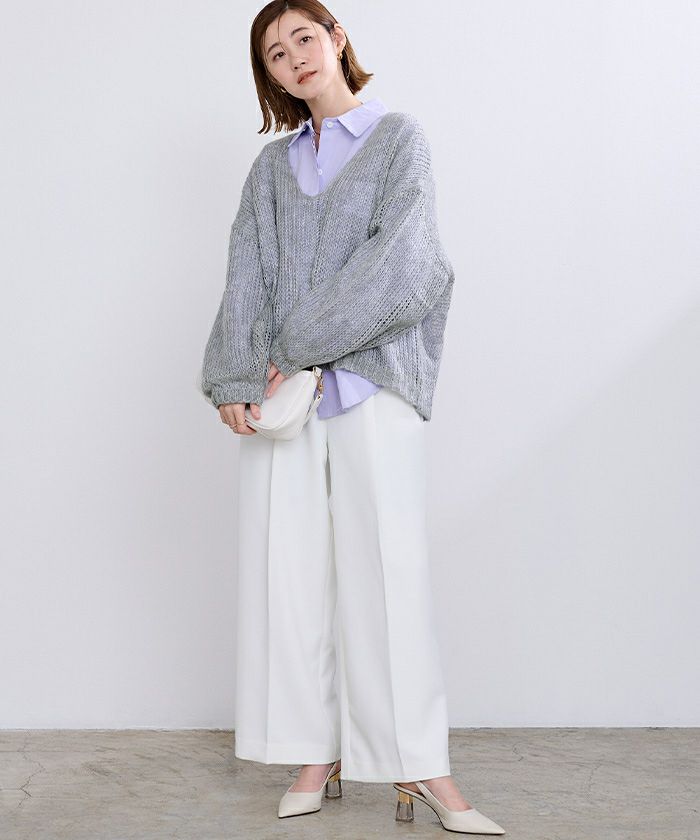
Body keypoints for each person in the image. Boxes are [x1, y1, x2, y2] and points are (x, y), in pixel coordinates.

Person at [200, 1, 505, 835]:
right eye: (275, 52)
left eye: (305, 37)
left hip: (370, 388)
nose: (294, 57)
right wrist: (234, 374)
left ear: (337, 39)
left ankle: (422, 766)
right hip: (284, 404)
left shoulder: (398, 139)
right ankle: (315, 752)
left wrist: (295, 347)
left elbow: (406, 265)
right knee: (290, 580)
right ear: (268, 74)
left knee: (389, 578)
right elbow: (246, 271)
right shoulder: (271, 169)